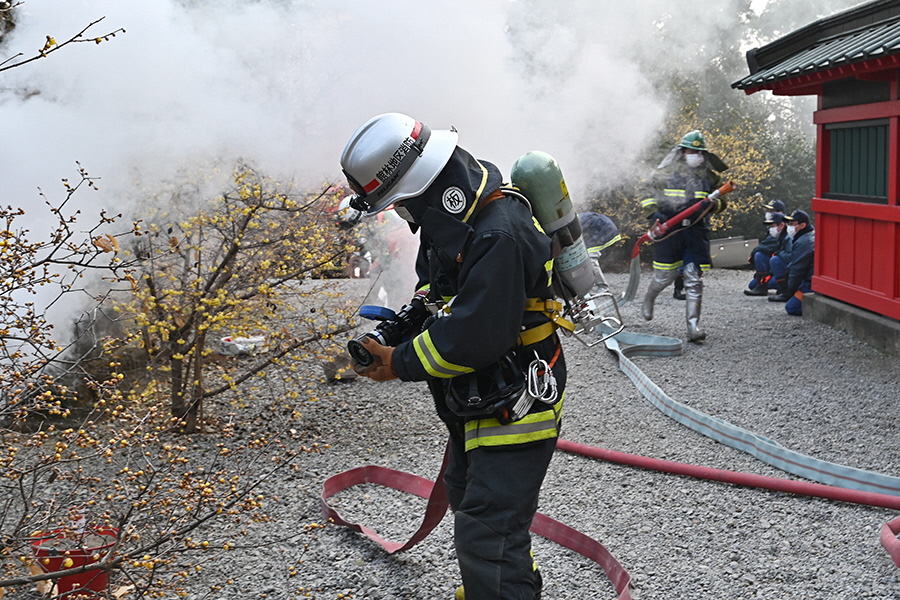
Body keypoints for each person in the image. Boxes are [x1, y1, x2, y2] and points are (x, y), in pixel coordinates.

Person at [340, 113, 566, 600]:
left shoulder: (498, 232)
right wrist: (404, 325)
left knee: (489, 527)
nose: (401, 214)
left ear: (422, 187)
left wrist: (396, 362)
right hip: (480, 393)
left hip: (516, 398)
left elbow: (476, 333)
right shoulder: (450, 226)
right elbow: (436, 294)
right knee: (468, 495)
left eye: (400, 203)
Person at [640, 130, 729, 342]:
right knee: (665, 277)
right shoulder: (665, 173)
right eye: (691, 151)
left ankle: (693, 327)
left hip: (696, 233)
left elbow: (722, 202)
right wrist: (654, 214)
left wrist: (714, 204)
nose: (695, 155)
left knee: (693, 278)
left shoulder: (711, 177)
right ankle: (649, 298)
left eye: (699, 152)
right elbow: (645, 192)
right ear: (682, 152)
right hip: (670, 231)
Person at [770, 209, 814, 315]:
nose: (789, 226)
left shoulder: (803, 242)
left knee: (791, 307)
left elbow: (798, 269)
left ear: (802, 225)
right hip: (808, 278)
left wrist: (790, 290)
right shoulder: (804, 236)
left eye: (792, 224)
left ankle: (819, 310)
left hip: (809, 282)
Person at [744, 211, 790, 296]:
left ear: (782, 225)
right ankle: (761, 287)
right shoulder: (779, 235)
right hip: (778, 267)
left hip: (787, 270)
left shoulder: (788, 237)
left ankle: (784, 290)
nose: (770, 229)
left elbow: (790, 259)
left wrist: (770, 273)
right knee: (752, 285)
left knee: (771, 282)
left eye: (772, 226)